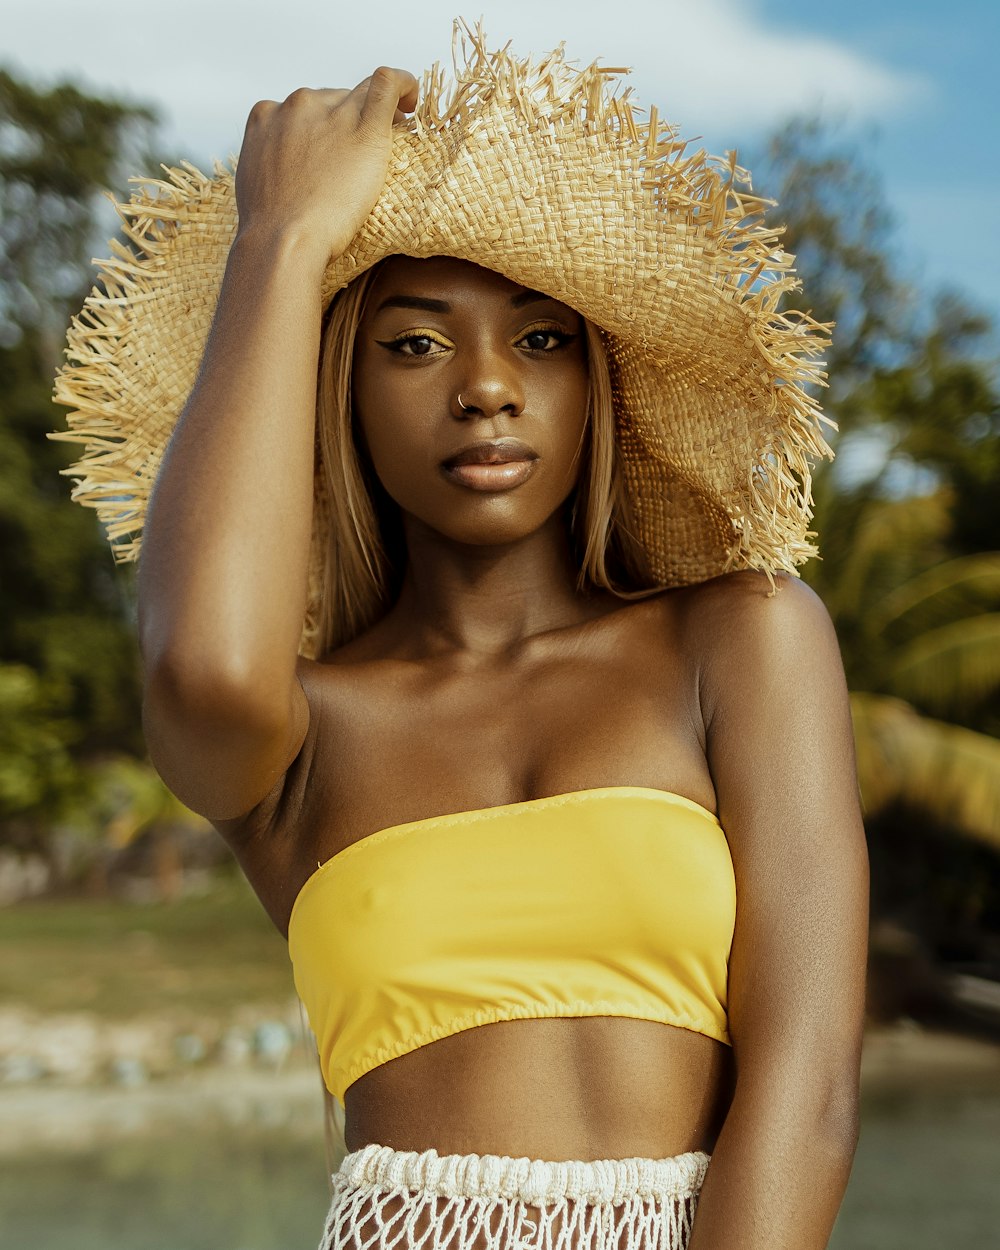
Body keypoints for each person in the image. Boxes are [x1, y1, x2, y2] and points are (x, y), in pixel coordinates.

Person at [53, 28, 869, 1250]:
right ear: (338, 390)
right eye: (414, 343)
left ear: (597, 382)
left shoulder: (742, 641)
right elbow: (201, 667)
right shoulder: (304, 737)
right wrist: (279, 241)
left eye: (539, 338)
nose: (486, 385)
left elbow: (806, 1095)